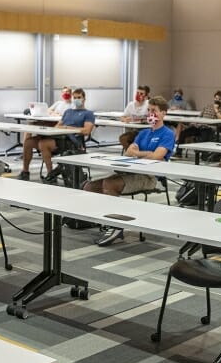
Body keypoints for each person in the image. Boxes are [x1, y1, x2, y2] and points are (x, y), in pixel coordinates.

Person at [85, 96, 176, 246]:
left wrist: (139, 153)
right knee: (90, 187)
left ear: (163, 114)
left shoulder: (167, 134)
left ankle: (116, 226)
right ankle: (103, 219)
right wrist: (145, 154)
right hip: (131, 172)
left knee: (109, 184)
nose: (150, 114)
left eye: (154, 111)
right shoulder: (144, 133)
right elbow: (128, 153)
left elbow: (157, 157)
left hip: (150, 176)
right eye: (148, 111)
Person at [19, 87, 95, 181]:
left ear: (84, 99)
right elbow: (58, 126)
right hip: (59, 137)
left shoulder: (88, 113)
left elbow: (87, 131)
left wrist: (68, 128)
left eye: (79, 97)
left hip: (71, 142)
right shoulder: (68, 112)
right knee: (28, 142)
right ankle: (25, 171)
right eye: (75, 98)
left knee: (43, 143)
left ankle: (51, 174)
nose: (77, 100)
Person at [118, 84, 151, 150]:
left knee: (139, 140)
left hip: (147, 131)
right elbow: (122, 117)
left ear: (146, 96)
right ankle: (131, 154)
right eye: (137, 93)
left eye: (141, 93)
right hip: (134, 131)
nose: (138, 95)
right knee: (123, 138)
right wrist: (125, 119)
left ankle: (137, 153)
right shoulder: (131, 104)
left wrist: (139, 120)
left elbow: (152, 118)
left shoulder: (149, 104)